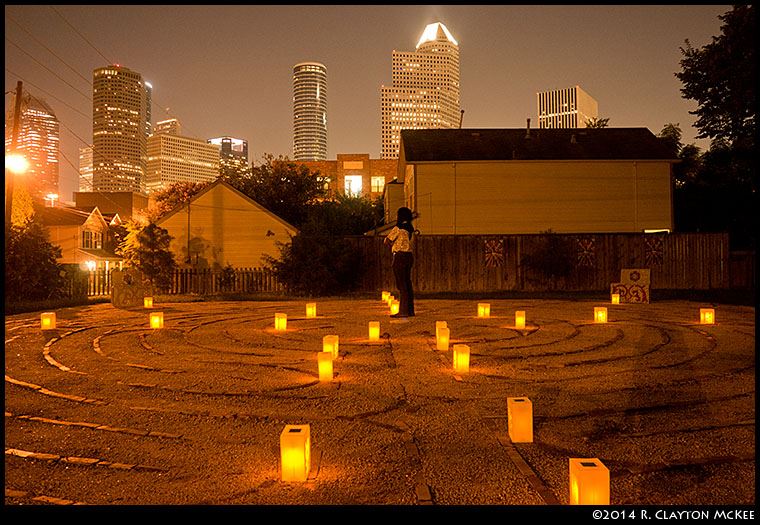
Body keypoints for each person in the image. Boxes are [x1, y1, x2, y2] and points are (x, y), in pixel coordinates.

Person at [384, 206, 415, 318]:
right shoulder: (410, 228)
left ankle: (403, 311)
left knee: (401, 285)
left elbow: (387, 240)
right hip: (409, 257)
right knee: (407, 283)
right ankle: (410, 310)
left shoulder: (398, 228)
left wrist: (392, 244)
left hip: (400, 257)